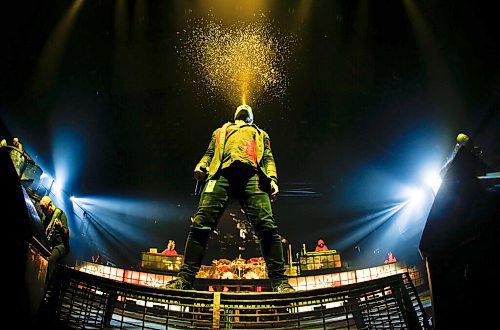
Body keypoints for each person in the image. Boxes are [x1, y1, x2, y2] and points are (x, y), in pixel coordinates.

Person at [164, 104, 294, 293]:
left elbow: (267, 158)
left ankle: (280, 282)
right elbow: (210, 153)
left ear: (252, 117)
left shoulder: (261, 134)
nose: (244, 105)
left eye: (248, 107)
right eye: (241, 106)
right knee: (200, 225)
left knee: (267, 227)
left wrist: (272, 179)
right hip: (220, 175)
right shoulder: (220, 131)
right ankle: (184, 280)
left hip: (253, 177)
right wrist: (201, 166)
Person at [39, 196, 70, 280]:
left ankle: (45, 283)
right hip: (49, 244)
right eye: (42, 209)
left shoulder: (60, 214)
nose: (44, 212)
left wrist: (60, 227)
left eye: (45, 209)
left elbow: (66, 232)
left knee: (49, 260)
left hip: (61, 245)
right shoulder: (44, 217)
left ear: (50, 206)